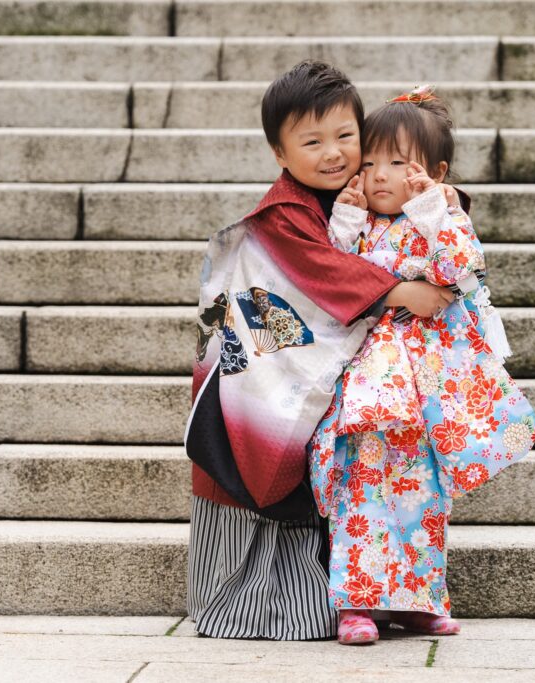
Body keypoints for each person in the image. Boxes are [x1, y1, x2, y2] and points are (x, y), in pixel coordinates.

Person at [183, 62, 455, 640]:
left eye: (345, 137)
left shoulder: (358, 196)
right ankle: (261, 603)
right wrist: (402, 291)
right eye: (312, 142)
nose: (333, 154)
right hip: (260, 375)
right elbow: (321, 272)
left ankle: (371, 595)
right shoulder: (285, 212)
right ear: (281, 154)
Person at [307, 85, 535, 645]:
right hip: (366, 381)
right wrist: (343, 223)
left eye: (397, 163)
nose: (380, 175)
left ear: (434, 172)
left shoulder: (438, 224)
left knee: (422, 491)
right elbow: (334, 278)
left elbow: (463, 271)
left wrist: (436, 209)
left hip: (423, 386)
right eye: (369, 163)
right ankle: (357, 603)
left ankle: (418, 600)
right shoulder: (358, 225)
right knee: (361, 488)